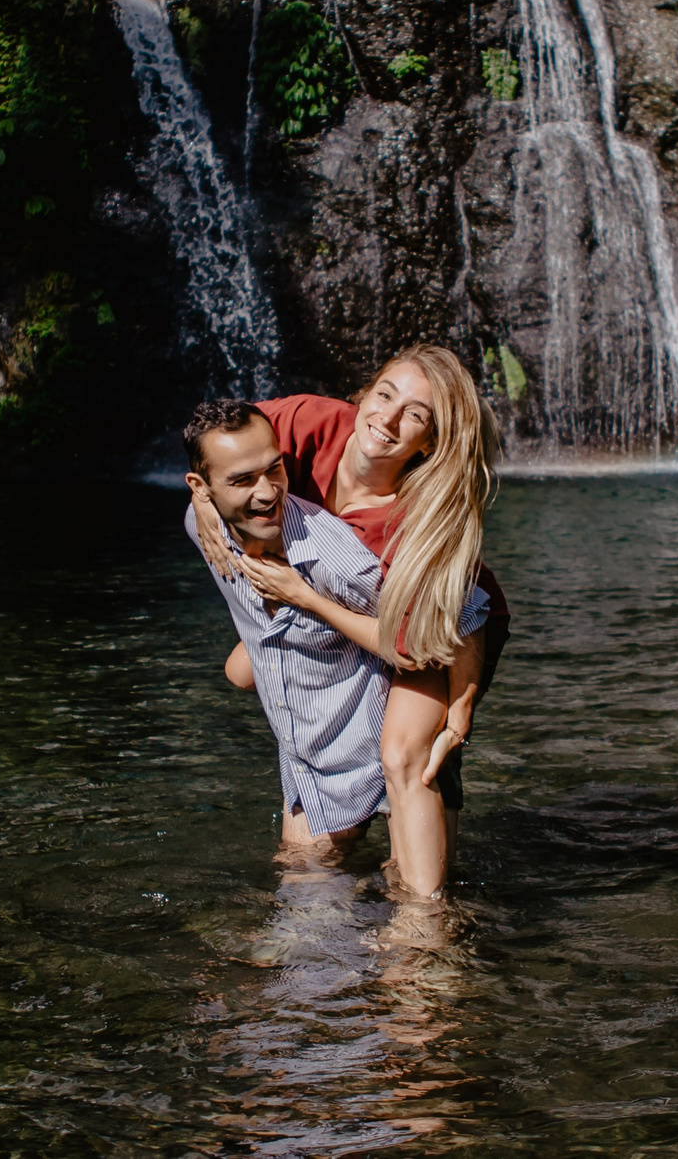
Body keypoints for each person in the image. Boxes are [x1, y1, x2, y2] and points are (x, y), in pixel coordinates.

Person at [194, 346, 508, 901]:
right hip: (347, 603)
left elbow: (415, 647)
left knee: (406, 755)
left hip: (442, 629)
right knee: (241, 674)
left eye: (415, 414)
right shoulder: (307, 422)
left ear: (430, 440)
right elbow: (219, 447)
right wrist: (197, 501)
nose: (387, 419)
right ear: (364, 394)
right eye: (385, 395)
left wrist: (462, 704)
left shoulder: (419, 517)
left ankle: (423, 927)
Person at [181, 398, 395, 866]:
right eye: (241, 480)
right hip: (303, 751)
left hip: (368, 748)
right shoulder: (202, 526)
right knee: (305, 902)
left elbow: (440, 628)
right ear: (201, 488)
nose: (265, 492)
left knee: (408, 913)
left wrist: (457, 711)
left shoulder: (334, 560)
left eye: (274, 470)